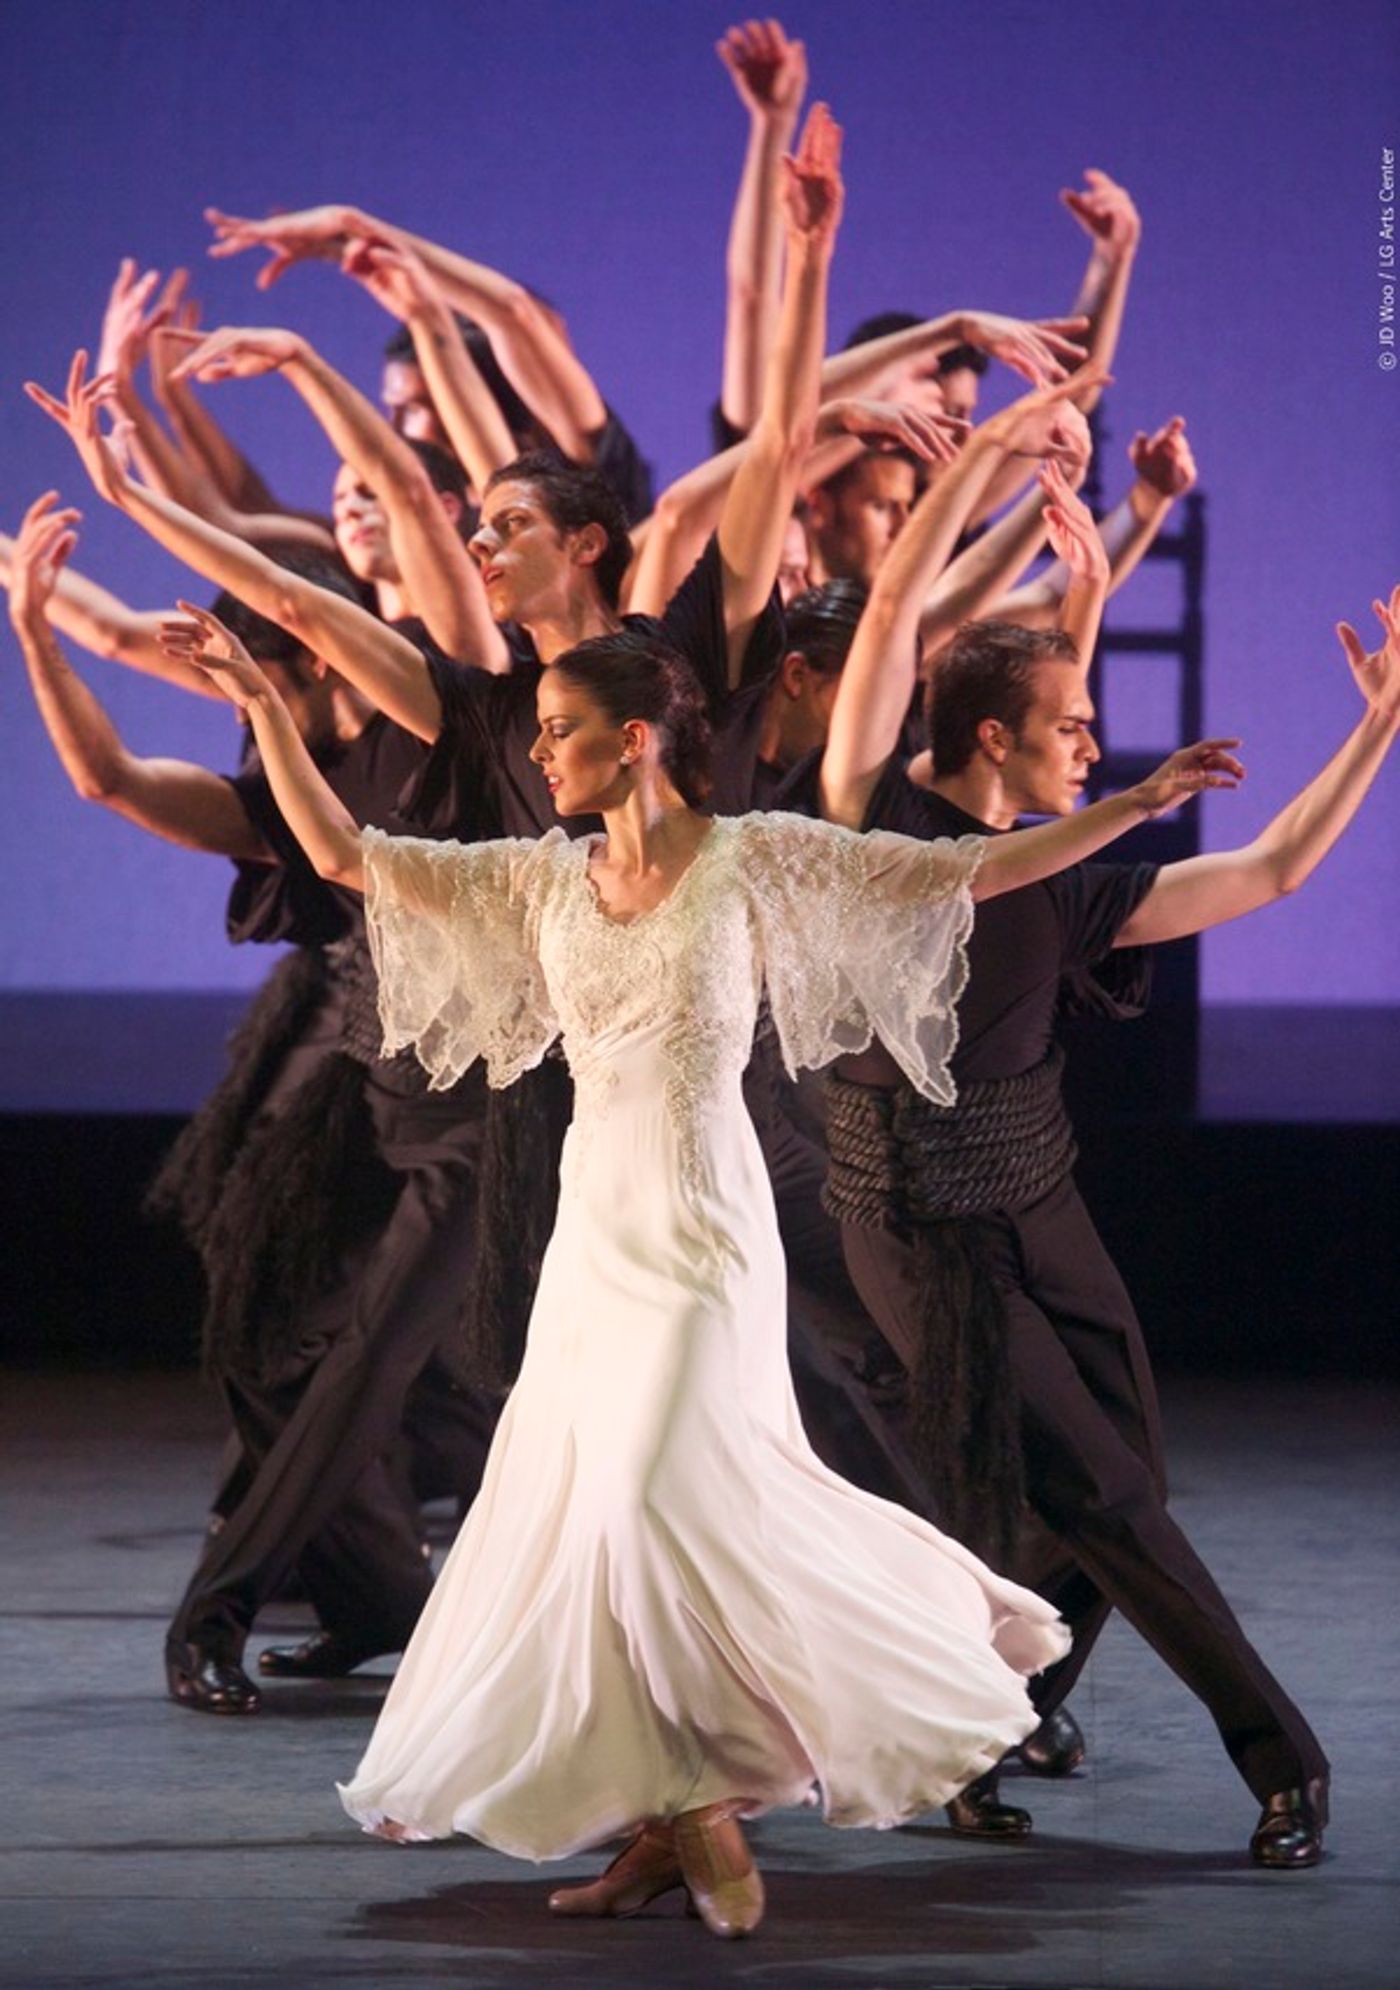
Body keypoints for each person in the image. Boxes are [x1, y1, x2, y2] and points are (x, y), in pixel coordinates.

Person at [163, 578, 1238, 1934]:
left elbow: (958, 869)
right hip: (594, 1238)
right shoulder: (542, 875)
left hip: (707, 1231)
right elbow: (342, 858)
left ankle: (708, 1811)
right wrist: (263, 701)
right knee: (600, 1519)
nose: (539, 750)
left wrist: (1131, 807)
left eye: (561, 728)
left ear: (639, 740)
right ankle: (666, 1821)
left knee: (655, 1490)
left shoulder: (755, 857)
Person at [818, 462, 1400, 1863]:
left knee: (1117, 1476)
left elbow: (1265, 873)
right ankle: (1284, 1761)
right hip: (921, 1227)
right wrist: (1131, 790)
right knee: (1105, 1495)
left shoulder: (1065, 878)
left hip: (1041, 1199)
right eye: (1070, 727)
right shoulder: (871, 836)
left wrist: (1379, 726)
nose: (1096, 743)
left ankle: (983, 1732)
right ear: (992, 737)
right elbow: (907, 620)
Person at [4, 489, 501, 1714]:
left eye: (248, 662)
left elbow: (332, 595)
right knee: (275, 1336)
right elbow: (112, 779)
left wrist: (132, 481)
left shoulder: (432, 715)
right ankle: (378, 1597)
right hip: (367, 1056)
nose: (224, 687)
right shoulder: (290, 766)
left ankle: (244, 1605)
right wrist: (32, 633)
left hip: (483, 1076)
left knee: (417, 1355)